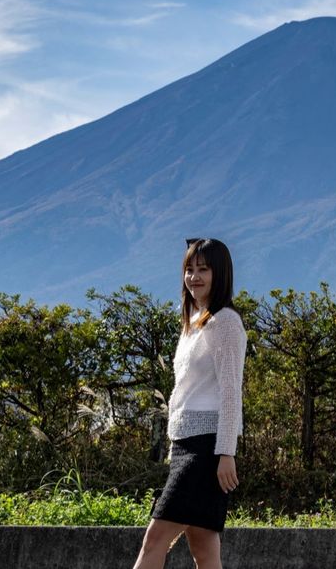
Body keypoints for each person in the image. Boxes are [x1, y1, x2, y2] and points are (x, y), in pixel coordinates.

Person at [133, 238, 246, 569]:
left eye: (204, 269)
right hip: (186, 447)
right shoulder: (195, 321)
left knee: (155, 539)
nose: (194, 277)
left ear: (219, 273)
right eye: (189, 269)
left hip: (207, 450)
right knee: (204, 548)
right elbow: (185, 390)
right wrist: (173, 447)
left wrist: (226, 453)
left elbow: (230, 391)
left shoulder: (225, 322)